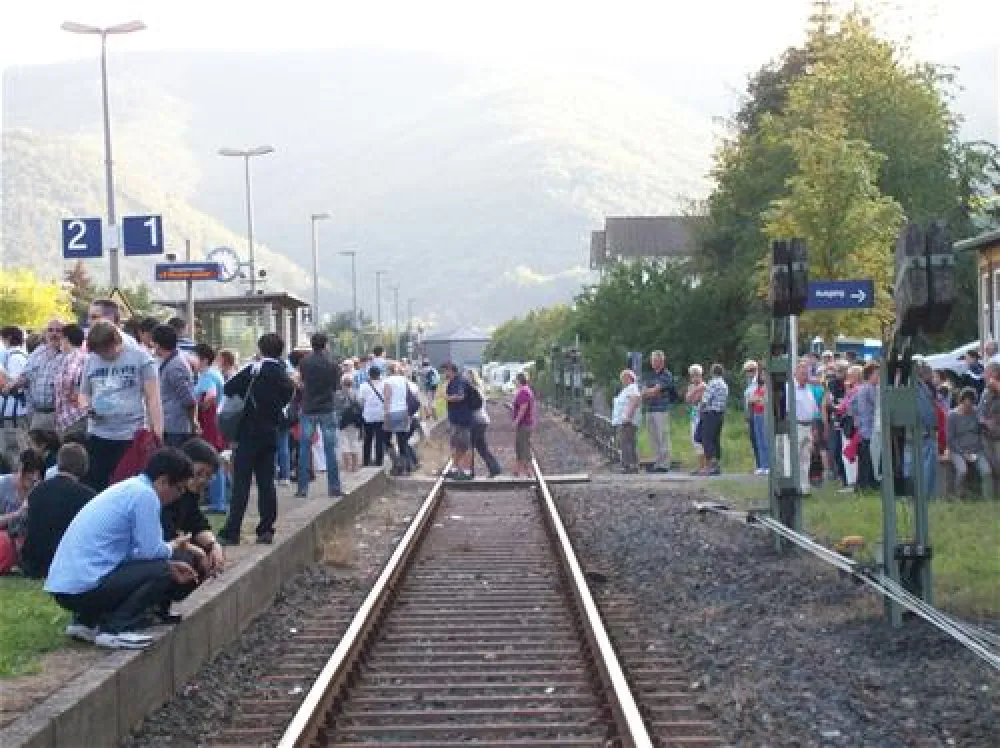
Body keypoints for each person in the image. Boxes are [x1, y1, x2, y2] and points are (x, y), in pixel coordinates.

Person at [44, 448, 202, 649]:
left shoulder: (128, 488)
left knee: (154, 566)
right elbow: (150, 552)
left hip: (66, 587)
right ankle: (116, 628)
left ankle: (86, 621)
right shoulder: (145, 496)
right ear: (163, 481)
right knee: (161, 570)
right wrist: (174, 547)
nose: (178, 496)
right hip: (84, 587)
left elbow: (127, 553)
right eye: (179, 489)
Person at [218, 334, 294, 546]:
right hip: (270, 433)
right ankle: (266, 529)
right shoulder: (282, 374)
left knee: (241, 483)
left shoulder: (254, 369)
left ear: (260, 349)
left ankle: (232, 531)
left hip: (248, 433)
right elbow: (289, 394)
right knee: (266, 482)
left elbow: (229, 388)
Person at [78, 321, 163, 493]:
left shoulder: (141, 358)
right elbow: (83, 393)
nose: (103, 356)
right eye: (98, 352)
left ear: (116, 342)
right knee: (95, 486)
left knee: (126, 486)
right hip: (98, 433)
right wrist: (86, 407)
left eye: (106, 351)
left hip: (130, 434)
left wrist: (157, 432)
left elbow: (153, 397)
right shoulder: (91, 361)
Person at [18, 443, 95, 579]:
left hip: (33, 564)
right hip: (65, 564)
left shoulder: (37, 492)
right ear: (84, 466)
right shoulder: (88, 496)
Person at [160, 438, 225, 580]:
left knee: (211, 554)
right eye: (199, 473)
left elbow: (196, 522)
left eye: (208, 476)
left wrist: (213, 545)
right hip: (155, 548)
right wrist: (198, 551)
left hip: (170, 544)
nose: (202, 480)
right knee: (189, 559)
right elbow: (167, 534)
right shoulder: (168, 492)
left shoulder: (190, 494)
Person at [296, 334, 342, 497]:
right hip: (327, 409)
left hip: (308, 409)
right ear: (325, 345)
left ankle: (302, 489)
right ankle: (334, 487)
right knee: (330, 449)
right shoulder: (333, 364)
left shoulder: (304, 363)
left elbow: (302, 383)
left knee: (304, 448)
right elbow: (336, 387)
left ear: (312, 345)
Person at [192, 343, 227, 513]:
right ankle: (220, 500)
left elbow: (211, 396)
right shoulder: (213, 374)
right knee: (216, 460)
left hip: (208, 425)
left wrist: (200, 406)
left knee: (212, 461)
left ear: (204, 360)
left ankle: (218, 502)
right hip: (213, 423)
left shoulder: (207, 376)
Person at [152, 324, 198, 448]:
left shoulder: (176, 365)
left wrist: (193, 423)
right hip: (168, 426)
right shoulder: (166, 361)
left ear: (157, 344)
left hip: (176, 429)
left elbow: (188, 399)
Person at [641, 350, 675, 473]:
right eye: (652, 360)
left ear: (661, 361)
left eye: (655, 360)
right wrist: (650, 392)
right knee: (653, 437)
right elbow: (643, 393)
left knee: (663, 436)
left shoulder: (666, 374)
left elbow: (654, 391)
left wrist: (650, 392)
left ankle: (665, 464)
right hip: (650, 409)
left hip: (661, 409)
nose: (653, 362)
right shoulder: (649, 375)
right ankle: (657, 461)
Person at [54, 323, 89, 439]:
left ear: (66, 339)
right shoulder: (83, 355)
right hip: (76, 416)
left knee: (71, 453)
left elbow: (66, 384)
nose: (60, 342)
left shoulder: (73, 357)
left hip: (73, 417)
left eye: (61, 338)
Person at [466, 369, 501, 478]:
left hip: (475, 420)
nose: (465, 378)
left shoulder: (472, 389)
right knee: (482, 447)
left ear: (471, 377)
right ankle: (495, 468)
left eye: (467, 376)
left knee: (469, 446)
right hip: (483, 419)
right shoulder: (479, 388)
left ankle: (469, 472)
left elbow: (471, 406)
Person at [442, 362, 474, 479]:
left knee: (465, 445)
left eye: (445, 371)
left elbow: (460, 396)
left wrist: (447, 398)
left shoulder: (459, 381)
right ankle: (455, 469)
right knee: (457, 445)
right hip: (456, 419)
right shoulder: (454, 381)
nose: (444, 373)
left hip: (462, 419)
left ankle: (467, 472)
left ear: (451, 370)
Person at [697, 364, 729, 476]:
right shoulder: (724, 384)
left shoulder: (713, 383)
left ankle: (712, 465)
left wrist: (700, 411)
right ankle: (716, 465)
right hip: (719, 414)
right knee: (716, 439)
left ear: (712, 372)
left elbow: (705, 400)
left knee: (707, 439)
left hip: (710, 414)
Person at [610, 369, 641, 474]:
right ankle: (631, 465)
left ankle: (628, 465)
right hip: (625, 420)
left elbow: (634, 401)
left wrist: (627, 416)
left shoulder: (632, 388)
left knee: (627, 442)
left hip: (628, 421)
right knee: (628, 442)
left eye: (624, 378)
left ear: (629, 378)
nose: (622, 380)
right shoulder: (628, 389)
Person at [334, 373, 363, 473]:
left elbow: (335, 408)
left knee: (344, 444)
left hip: (342, 421)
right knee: (354, 442)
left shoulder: (337, 394)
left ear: (342, 383)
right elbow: (360, 406)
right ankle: (355, 467)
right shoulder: (356, 393)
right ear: (352, 383)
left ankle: (347, 467)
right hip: (354, 421)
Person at [359, 366, 387, 467]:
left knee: (367, 439)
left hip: (368, 415)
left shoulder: (363, 386)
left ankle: (366, 461)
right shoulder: (384, 385)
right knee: (380, 439)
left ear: (369, 375)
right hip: (381, 415)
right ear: (379, 374)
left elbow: (361, 401)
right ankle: (379, 461)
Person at [685, 365, 707, 474]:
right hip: (694, 417)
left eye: (696, 375)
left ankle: (704, 467)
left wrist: (694, 392)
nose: (694, 378)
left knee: (701, 441)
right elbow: (688, 399)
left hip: (702, 417)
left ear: (700, 375)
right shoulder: (692, 386)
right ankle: (700, 466)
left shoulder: (704, 386)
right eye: (692, 376)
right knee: (695, 441)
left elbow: (697, 399)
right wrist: (694, 391)